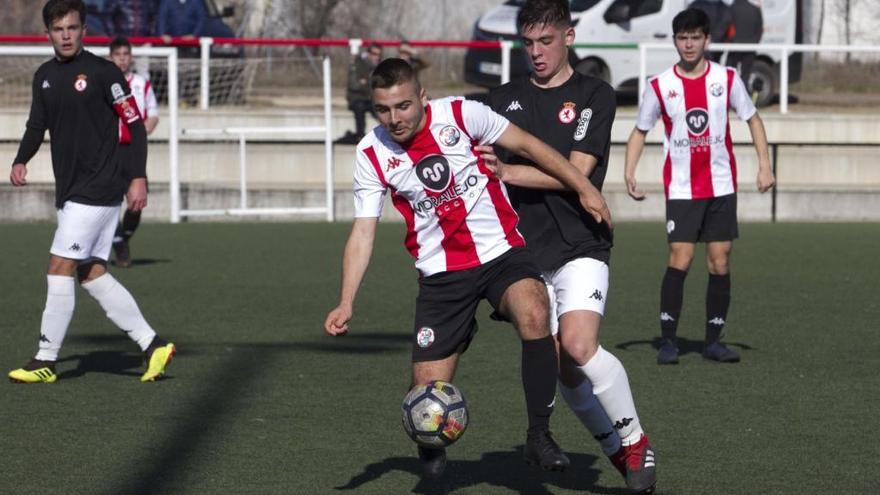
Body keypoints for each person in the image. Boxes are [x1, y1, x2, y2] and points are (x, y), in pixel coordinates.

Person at [323, 58, 612, 480]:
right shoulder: (372, 153)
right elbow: (363, 232)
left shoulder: (462, 113)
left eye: (403, 106)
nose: (394, 118)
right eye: (383, 109)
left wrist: (585, 187)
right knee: (423, 398)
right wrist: (346, 301)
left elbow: (530, 146)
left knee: (535, 311)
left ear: (422, 96)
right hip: (442, 275)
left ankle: (538, 434)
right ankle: (430, 441)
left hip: (500, 253)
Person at [479, 1, 655, 492]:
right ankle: (613, 446)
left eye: (546, 41)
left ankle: (635, 440)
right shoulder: (499, 99)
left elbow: (575, 170)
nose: (536, 52)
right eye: (528, 43)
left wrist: (508, 170)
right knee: (559, 364)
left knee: (579, 346)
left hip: (580, 242)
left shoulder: (595, 93)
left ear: (569, 37)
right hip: (522, 253)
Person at [8, 0, 175, 384]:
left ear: (83, 29)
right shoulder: (44, 76)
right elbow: (37, 125)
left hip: (100, 186)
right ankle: (153, 345)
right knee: (91, 273)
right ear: (48, 32)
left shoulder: (104, 73)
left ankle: (45, 358)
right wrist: (21, 159)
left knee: (58, 265)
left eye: (72, 27)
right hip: (70, 190)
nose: (65, 35)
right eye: (58, 29)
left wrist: (137, 176)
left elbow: (133, 126)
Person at [623, 7, 775, 365]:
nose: (688, 44)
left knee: (720, 262)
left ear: (707, 40)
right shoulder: (660, 86)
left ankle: (713, 341)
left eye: (695, 37)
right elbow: (639, 131)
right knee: (681, 258)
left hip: (721, 186)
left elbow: (753, 119)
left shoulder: (727, 79)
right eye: (682, 37)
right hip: (682, 189)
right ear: (675, 40)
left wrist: (764, 165)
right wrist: (629, 171)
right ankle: (669, 341)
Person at [109, 36, 159, 268]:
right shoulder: (104, 82)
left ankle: (121, 240)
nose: (122, 59)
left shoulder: (141, 83)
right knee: (108, 202)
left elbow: (153, 114)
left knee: (137, 202)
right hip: (109, 151)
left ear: (131, 57)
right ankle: (119, 246)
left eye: (125, 54)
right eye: (118, 54)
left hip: (133, 151)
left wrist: (144, 130)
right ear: (111, 57)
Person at [338, 43, 382, 144]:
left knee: (382, 110)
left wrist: (366, 81)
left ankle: (390, 134)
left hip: (371, 98)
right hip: (357, 98)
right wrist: (369, 82)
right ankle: (360, 136)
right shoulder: (357, 62)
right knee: (359, 107)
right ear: (368, 53)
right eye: (374, 54)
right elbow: (354, 84)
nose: (376, 57)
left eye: (378, 54)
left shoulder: (379, 66)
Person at [726, 0, 763, 96]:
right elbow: (759, 29)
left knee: (729, 73)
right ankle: (743, 98)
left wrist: (729, 41)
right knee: (745, 75)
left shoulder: (731, 8)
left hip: (734, 46)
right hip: (750, 46)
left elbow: (727, 26)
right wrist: (755, 42)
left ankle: (730, 97)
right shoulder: (755, 9)